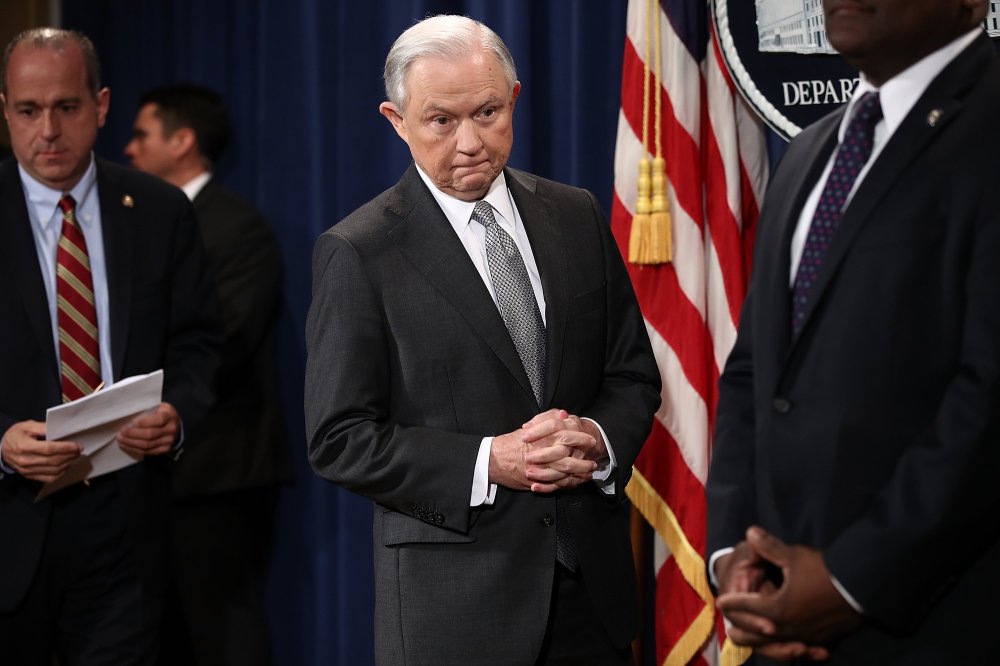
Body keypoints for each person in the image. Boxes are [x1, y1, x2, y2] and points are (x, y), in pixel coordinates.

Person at [304, 14, 660, 666]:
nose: (470, 141)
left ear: (514, 99)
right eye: (442, 120)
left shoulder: (575, 213)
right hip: (457, 615)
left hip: (593, 597)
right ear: (396, 120)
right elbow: (339, 440)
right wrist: (488, 461)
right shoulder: (359, 252)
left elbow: (631, 373)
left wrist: (598, 439)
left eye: (488, 112)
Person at [705, 1, 1000, 663]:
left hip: (937, 624)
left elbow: (988, 399)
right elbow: (755, 371)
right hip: (778, 618)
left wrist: (850, 581)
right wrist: (734, 559)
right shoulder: (812, 151)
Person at [0, 28, 220, 665]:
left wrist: (176, 415)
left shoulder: (159, 209)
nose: (48, 130)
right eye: (28, 110)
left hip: (127, 528)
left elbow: (199, 343)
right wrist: (1, 443)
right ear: (5, 110)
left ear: (99, 106)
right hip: (11, 523)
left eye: (66, 108)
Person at [124, 84, 290, 666]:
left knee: (223, 633)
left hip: (219, 470)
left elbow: (223, 339)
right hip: (148, 469)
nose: (129, 148)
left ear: (183, 140)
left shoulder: (236, 226)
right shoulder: (141, 223)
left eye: (141, 134)